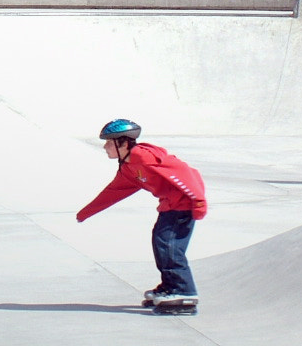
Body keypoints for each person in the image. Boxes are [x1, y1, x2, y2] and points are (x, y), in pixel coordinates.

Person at [76, 119, 207, 309]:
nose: (105, 147)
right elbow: (113, 192)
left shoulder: (143, 156)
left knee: (169, 246)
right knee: (161, 244)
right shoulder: (128, 168)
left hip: (183, 205)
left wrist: (198, 201)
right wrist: (86, 212)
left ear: (122, 142)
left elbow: (185, 172)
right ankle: (170, 286)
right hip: (169, 206)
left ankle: (184, 290)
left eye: (108, 142)